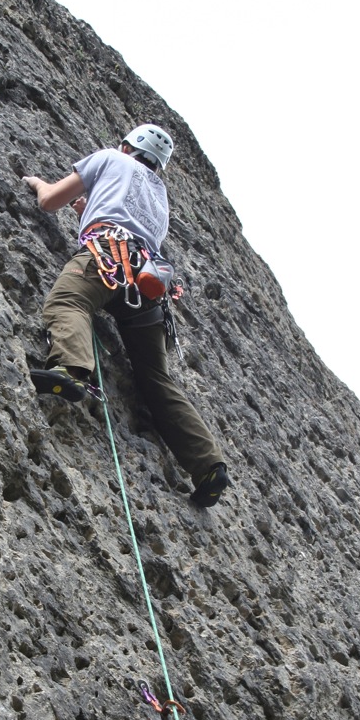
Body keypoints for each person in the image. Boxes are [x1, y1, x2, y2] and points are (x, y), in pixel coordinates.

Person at [22, 125, 230, 508]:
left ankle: (71, 372)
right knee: (155, 377)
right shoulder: (160, 194)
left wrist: (37, 183)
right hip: (148, 285)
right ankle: (208, 465)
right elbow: (131, 222)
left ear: (126, 145)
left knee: (68, 302)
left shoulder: (108, 157)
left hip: (106, 259)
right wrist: (89, 210)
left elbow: (51, 201)